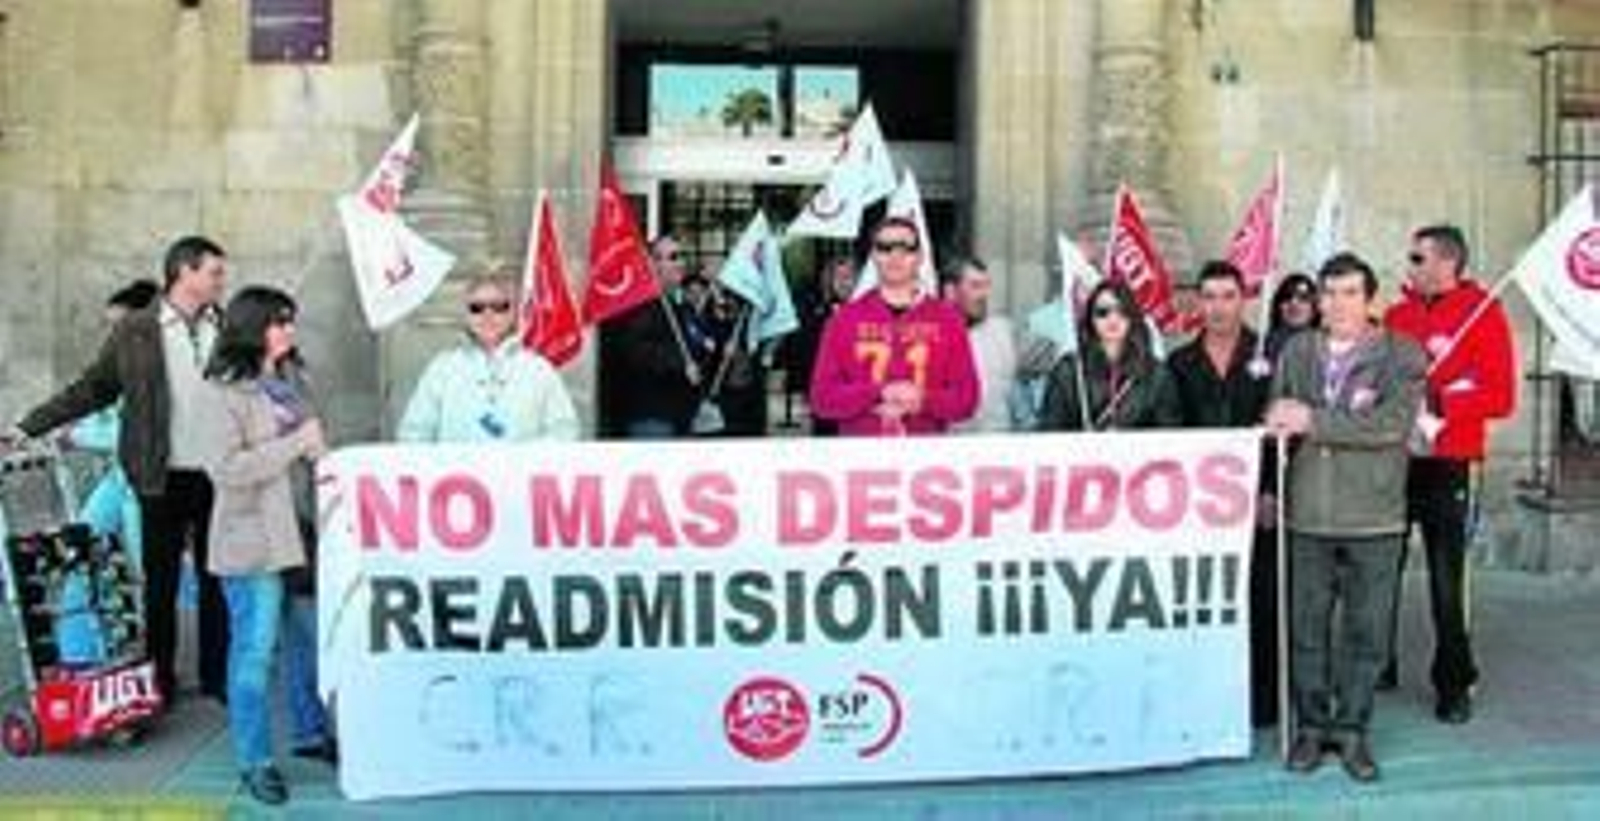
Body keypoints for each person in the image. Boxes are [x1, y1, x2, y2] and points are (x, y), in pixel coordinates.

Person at [10, 236, 231, 705]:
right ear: (184, 272)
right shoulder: (137, 330)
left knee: (216, 579)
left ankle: (217, 677)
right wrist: (30, 425)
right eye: (213, 271)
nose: (220, 280)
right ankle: (161, 680)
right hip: (159, 474)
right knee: (160, 581)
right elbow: (93, 388)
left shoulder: (225, 325)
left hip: (218, 474)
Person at [1267, 252, 1427, 783]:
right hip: (1308, 512)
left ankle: (1353, 729)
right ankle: (1313, 727)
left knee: (1367, 631)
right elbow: (1277, 412)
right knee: (1306, 628)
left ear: (1370, 299)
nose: (1337, 304)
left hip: (1374, 517)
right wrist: (1277, 424)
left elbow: (1391, 424)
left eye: (1349, 293)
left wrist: (1312, 419)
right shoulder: (1296, 350)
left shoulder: (1401, 354)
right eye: (1328, 293)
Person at [199, 286, 330, 806]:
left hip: (300, 531)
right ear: (253, 327)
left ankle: (310, 732)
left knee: (307, 639)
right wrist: (297, 444)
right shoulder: (223, 391)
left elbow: (313, 443)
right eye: (279, 322)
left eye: (291, 321)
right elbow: (228, 469)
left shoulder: (292, 380)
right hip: (251, 540)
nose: (289, 330)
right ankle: (255, 760)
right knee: (254, 655)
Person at [1381, 224, 1517, 723]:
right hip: (1396, 461)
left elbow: (1501, 395)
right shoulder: (1396, 315)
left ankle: (1454, 680)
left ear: (1445, 263)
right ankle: (1380, 662)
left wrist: (1444, 398)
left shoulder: (1484, 313)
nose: (1410, 266)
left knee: (1445, 579)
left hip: (1451, 461)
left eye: (1418, 258)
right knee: (1381, 570)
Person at [1166, 260, 1277, 727]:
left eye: (1227, 296)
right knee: (1206, 601)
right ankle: (1207, 697)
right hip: (1200, 507)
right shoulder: (1179, 363)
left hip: (1257, 502)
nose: (1217, 307)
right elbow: (1169, 432)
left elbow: (1279, 430)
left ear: (1243, 299)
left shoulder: (1271, 355)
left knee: (1260, 598)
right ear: (1198, 303)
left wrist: (1270, 491)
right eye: (1208, 297)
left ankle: (1263, 701)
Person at [51, 280, 162, 666]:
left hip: (150, 485)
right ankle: (80, 655)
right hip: (119, 481)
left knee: (149, 577)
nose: (113, 335)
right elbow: (95, 408)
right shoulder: (118, 366)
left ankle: (151, 668)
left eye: (120, 325)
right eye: (110, 326)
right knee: (78, 551)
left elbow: (136, 431)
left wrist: (77, 435)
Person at [809, 216, 979, 436]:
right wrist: (879, 393)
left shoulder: (948, 320)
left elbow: (967, 399)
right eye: (885, 247)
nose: (895, 256)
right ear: (873, 256)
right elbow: (822, 399)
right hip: (859, 459)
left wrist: (922, 399)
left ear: (920, 257)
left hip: (927, 458)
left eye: (906, 248)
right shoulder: (843, 320)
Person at [398, 268, 579, 443]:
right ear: (466, 314)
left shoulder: (539, 369)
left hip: (518, 473)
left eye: (499, 306)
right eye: (477, 307)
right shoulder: (442, 369)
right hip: (458, 473)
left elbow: (565, 431)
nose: (488, 314)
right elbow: (413, 434)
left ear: (513, 313)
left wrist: (525, 459)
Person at [1039, 280, 1180, 431]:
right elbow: (1050, 431)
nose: (1113, 319)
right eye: (1103, 312)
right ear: (1090, 319)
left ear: (1132, 316)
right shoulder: (1069, 370)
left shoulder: (1156, 374)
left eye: (1122, 310)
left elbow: (1168, 435)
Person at [605, 235, 702, 438]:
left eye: (682, 256)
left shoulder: (676, 306)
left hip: (676, 416)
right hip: (651, 418)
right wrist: (679, 363)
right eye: (674, 257)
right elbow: (633, 349)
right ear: (654, 263)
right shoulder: (641, 306)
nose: (681, 263)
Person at [942, 256, 1021, 434]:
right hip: (948, 452)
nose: (984, 294)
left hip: (998, 449)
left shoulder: (1004, 331)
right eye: (975, 286)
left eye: (986, 286)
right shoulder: (930, 335)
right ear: (950, 291)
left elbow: (1052, 357)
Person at [1265, 272, 1320, 365]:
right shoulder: (1261, 346)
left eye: (1303, 298)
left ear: (1314, 308)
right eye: (1287, 296)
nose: (1294, 303)